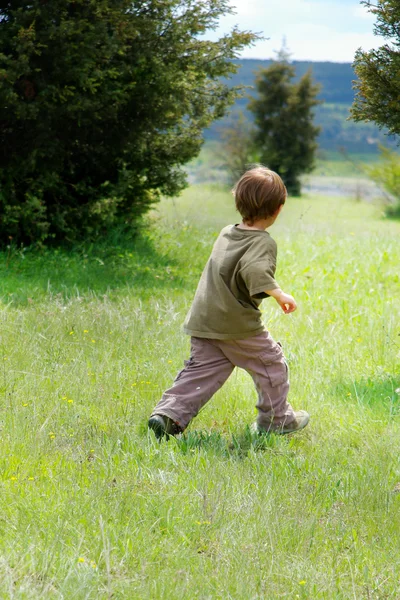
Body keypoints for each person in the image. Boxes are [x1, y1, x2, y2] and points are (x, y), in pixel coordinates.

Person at [148, 166, 310, 439]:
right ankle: (276, 420)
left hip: (204, 319)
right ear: (279, 208)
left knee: (202, 371)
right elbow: (255, 271)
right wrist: (280, 294)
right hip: (236, 324)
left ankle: (168, 416)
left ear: (238, 202)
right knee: (271, 363)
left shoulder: (227, 232)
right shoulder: (263, 242)